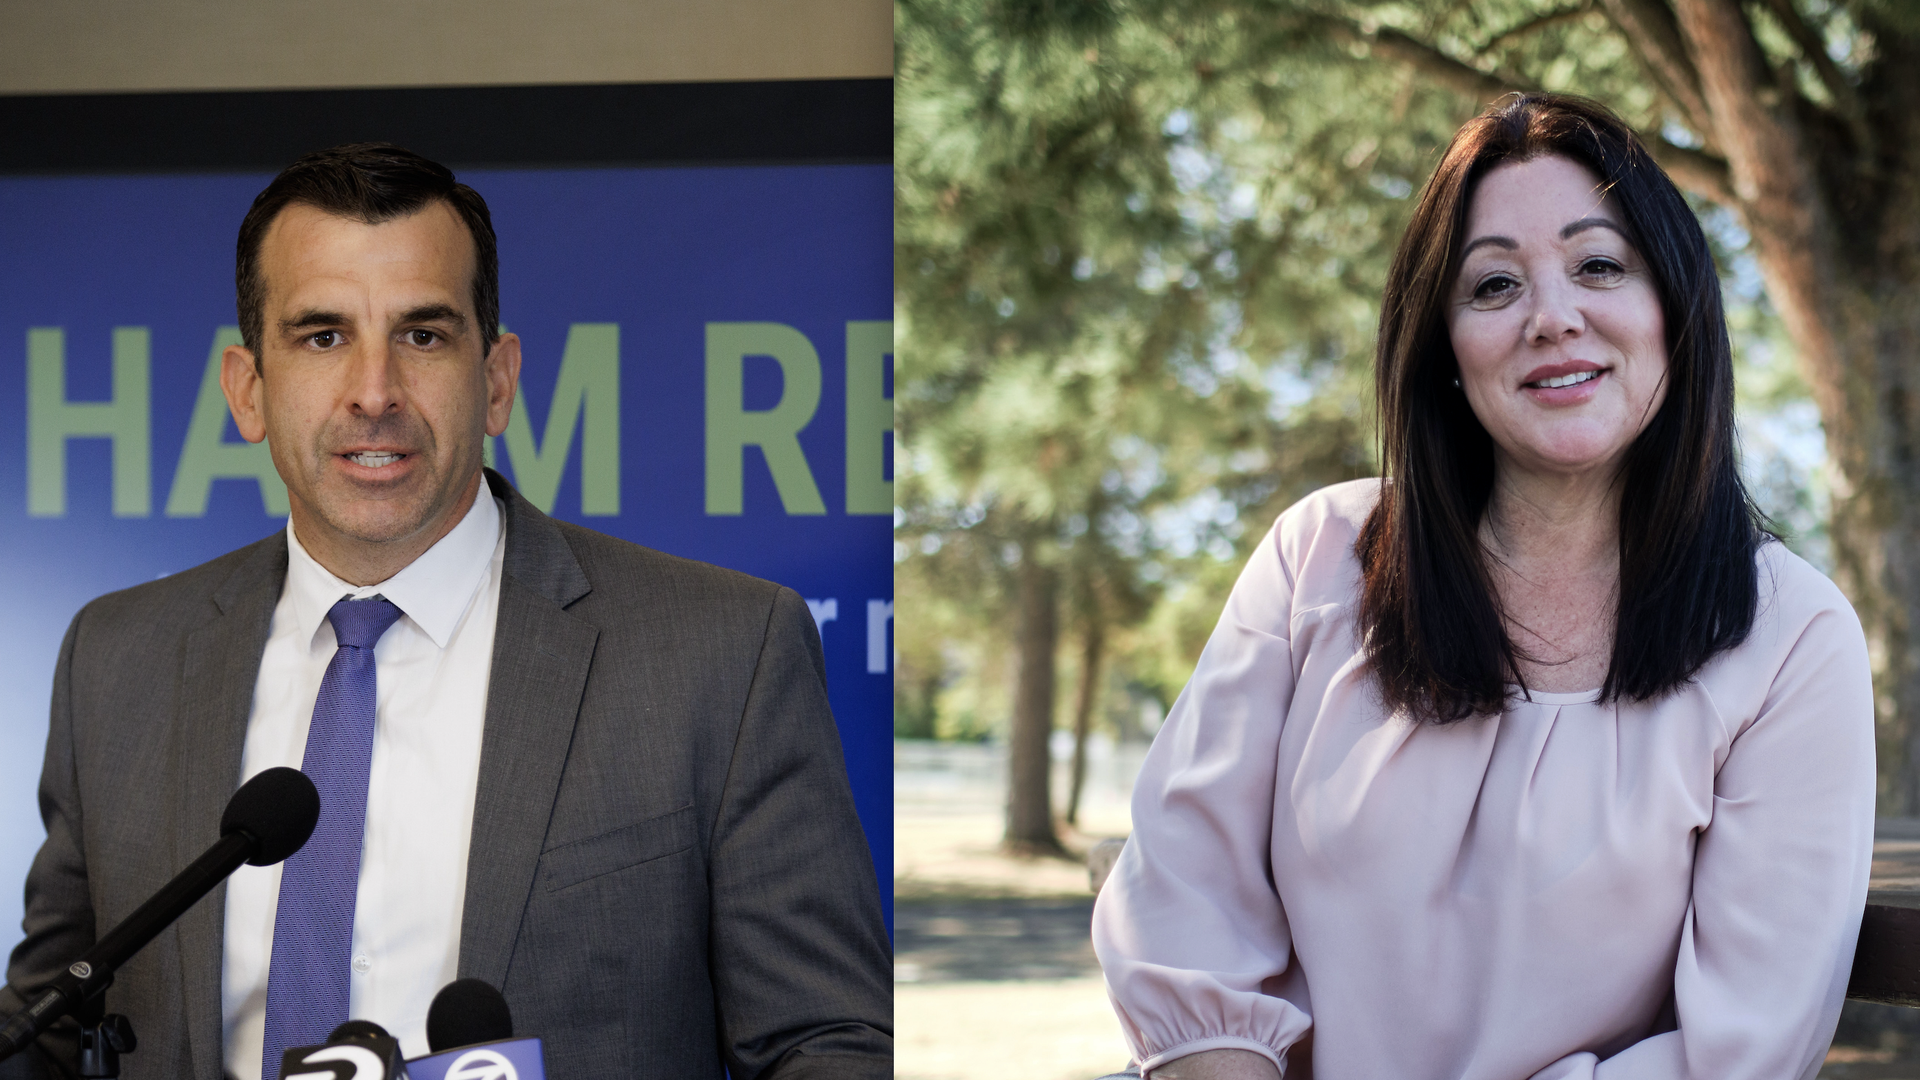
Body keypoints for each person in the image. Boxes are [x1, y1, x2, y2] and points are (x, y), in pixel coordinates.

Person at [0, 144, 892, 1080]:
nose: (374, 392)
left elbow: (823, 1043)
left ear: (496, 381)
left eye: (423, 335)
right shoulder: (118, 659)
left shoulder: (723, 652)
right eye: (322, 336)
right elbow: (47, 1029)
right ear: (248, 390)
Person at [1091, 94, 1875, 1080]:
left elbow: (1743, 1044)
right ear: (1446, 353)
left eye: (1600, 266)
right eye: (1495, 285)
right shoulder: (1318, 556)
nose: (1553, 318)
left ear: (1674, 310)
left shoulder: (1791, 635)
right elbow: (1183, 905)